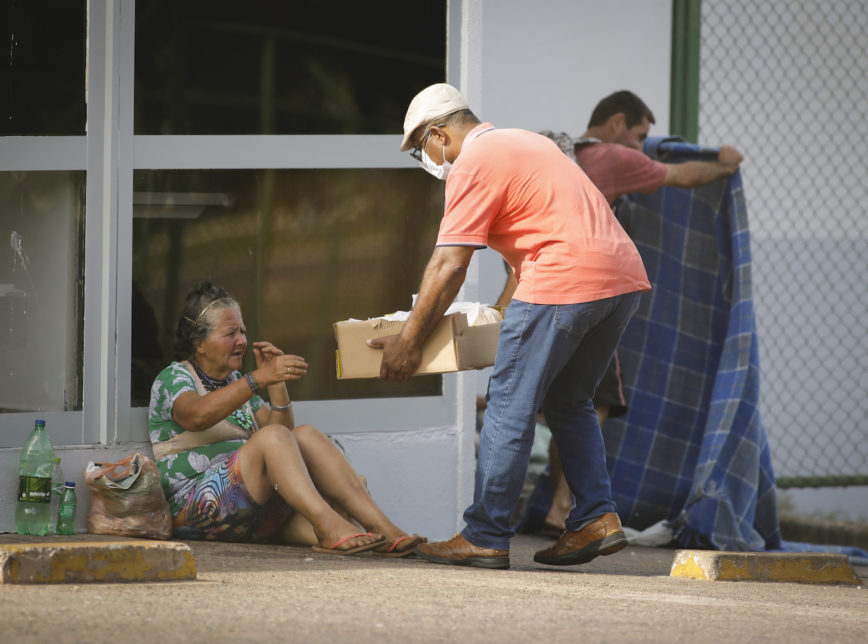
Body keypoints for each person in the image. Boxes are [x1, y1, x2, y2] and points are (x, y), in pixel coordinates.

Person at [368, 83, 650, 569]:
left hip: (564, 279)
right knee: (569, 400)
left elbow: (448, 266)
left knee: (509, 405)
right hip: (621, 279)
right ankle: (595, 519)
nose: (427, 161)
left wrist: (408, 342)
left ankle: (484, 533)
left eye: (420, 150)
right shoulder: (526, 142)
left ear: (439, 134)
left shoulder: (474, 163)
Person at [499, 90, 744, 536]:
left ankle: (552, 510)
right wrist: (725, 165)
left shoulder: (561, 156)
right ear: (615, 123)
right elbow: (680, 176)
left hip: (540, 287)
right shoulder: (610, 157)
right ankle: (569, 509)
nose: (641, 148)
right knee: (591, 403)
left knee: (554, 401)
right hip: (586, 291)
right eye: (640, 136)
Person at [148, 279, 424, 557]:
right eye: (230, 333)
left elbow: (284, 441)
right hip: (194, 508)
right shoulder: (175, 377)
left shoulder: (236, 383)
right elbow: (195, 416)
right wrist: (258, 379)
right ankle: (328, 524)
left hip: (250, 509)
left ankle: (380, 527)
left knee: (305, 435)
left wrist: (276, 385)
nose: (242, 341)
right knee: (273, 439)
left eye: (243, 331)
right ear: (199, 343)